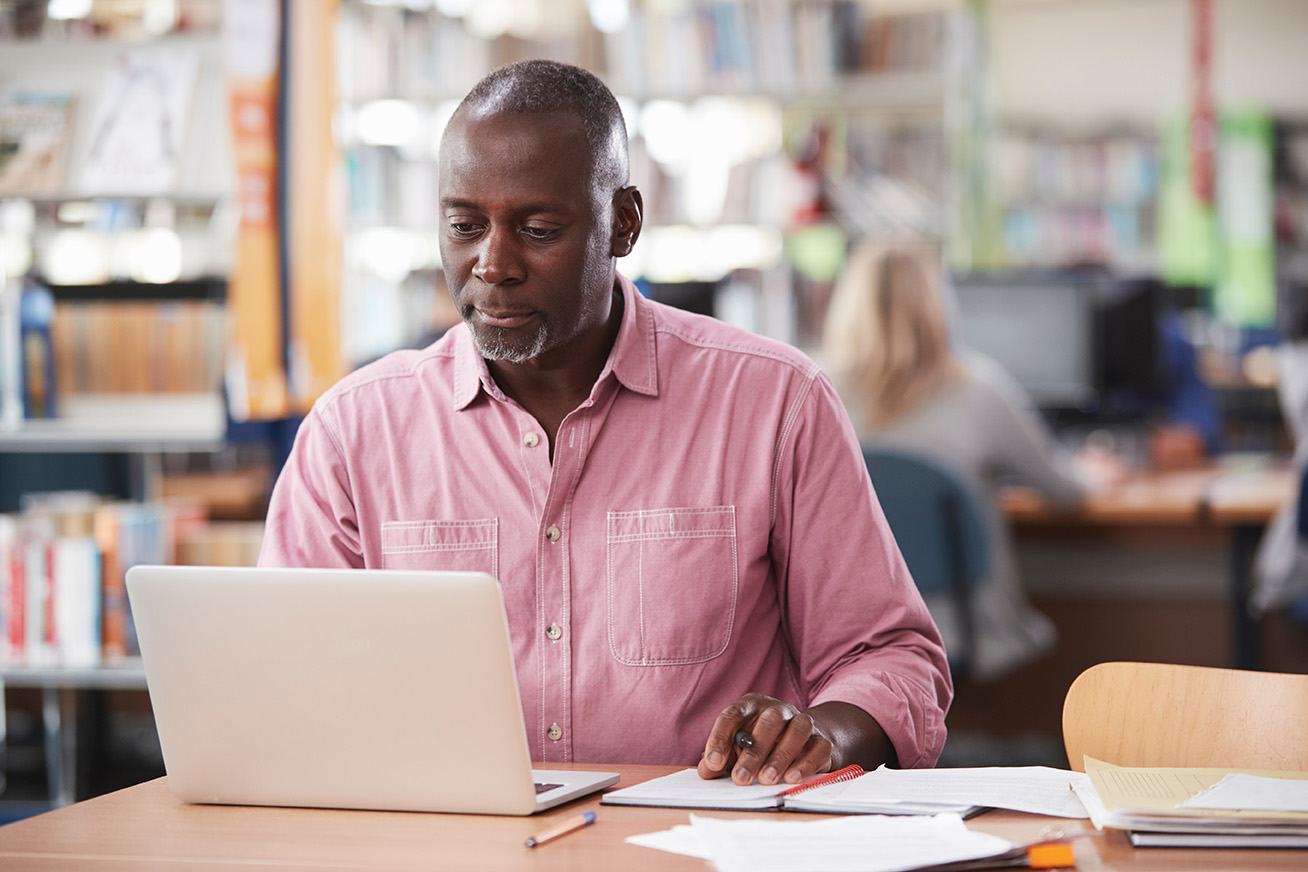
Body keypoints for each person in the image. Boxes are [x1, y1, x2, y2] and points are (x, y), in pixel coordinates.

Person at [258, 60, 950, 785]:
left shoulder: (775, 402)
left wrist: (827, 734)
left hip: (698, 846)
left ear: (623, 224)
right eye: (464, 225)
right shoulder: (354, 431)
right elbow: (282, 682)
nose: (491, 265)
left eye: (537, 228)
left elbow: (892, 657)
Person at [822, 243, 1124, 681]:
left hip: (851, 633)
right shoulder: (978, 389)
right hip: (963, 628)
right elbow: (1065, 492)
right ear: (936, 303)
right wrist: (1094, 472)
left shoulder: (815, 393)